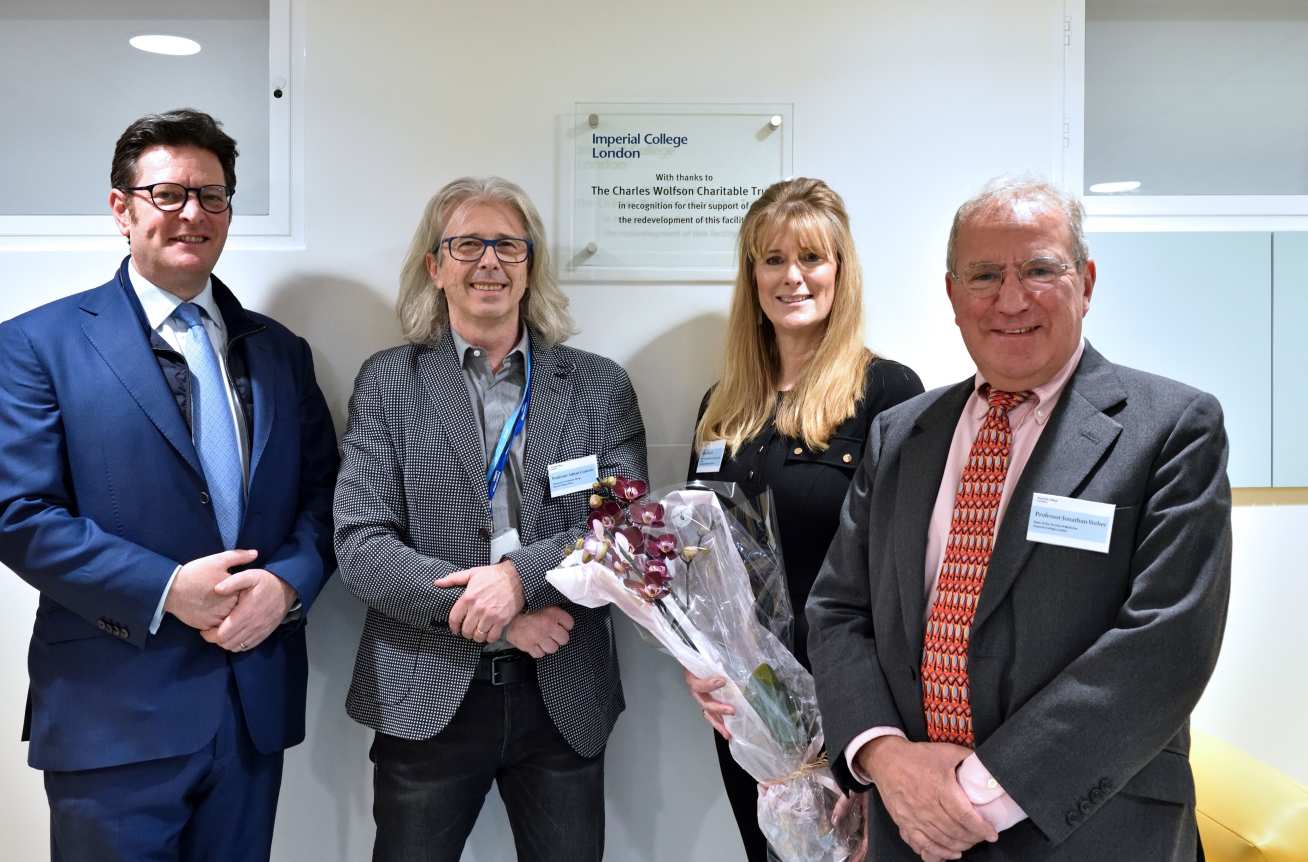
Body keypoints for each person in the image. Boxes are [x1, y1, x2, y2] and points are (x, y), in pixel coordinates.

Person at [806, 178, 1231, 861]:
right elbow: (837, 610)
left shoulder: (1172, 429)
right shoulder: (900, 433)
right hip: (911, 830)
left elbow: (1164, 646)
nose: (1010, 299)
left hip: (1090, 829)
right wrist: (884, 757)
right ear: (951, 295)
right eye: (983, 275)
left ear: (1085, 282)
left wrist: (972, 796)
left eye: (1038, 269)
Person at [0, 108, 339, 861]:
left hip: (251, 704)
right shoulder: (34, 344)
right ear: (121, 208)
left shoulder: (280, 352)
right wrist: (166, 588)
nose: (193, 213)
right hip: (111, 713)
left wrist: (285, 588)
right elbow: (18, 514)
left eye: (212, 196)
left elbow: (324, 499)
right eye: (169, 194)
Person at [334, 176, 647, 862]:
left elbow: (622, 527)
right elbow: (361, 543)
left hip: (562, 693)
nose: (489, 261)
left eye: (508, 244)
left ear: (530, 264)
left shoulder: (598, 387)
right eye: (467, 244)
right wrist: (498, 613)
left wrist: (519, 576)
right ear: (435, 267)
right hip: (427, 690)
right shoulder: (388, 382)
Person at [683, 177, 924, 861]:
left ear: (840, 272)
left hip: (848, 702)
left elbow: (906, 577)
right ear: (751, 275)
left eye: (812, 258)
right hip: (749, 702)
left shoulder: (889, 392)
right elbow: (697, 557)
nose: (793, 277)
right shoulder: (720, 404)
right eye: (772, 259)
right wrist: (697, 660)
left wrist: (882, 742)